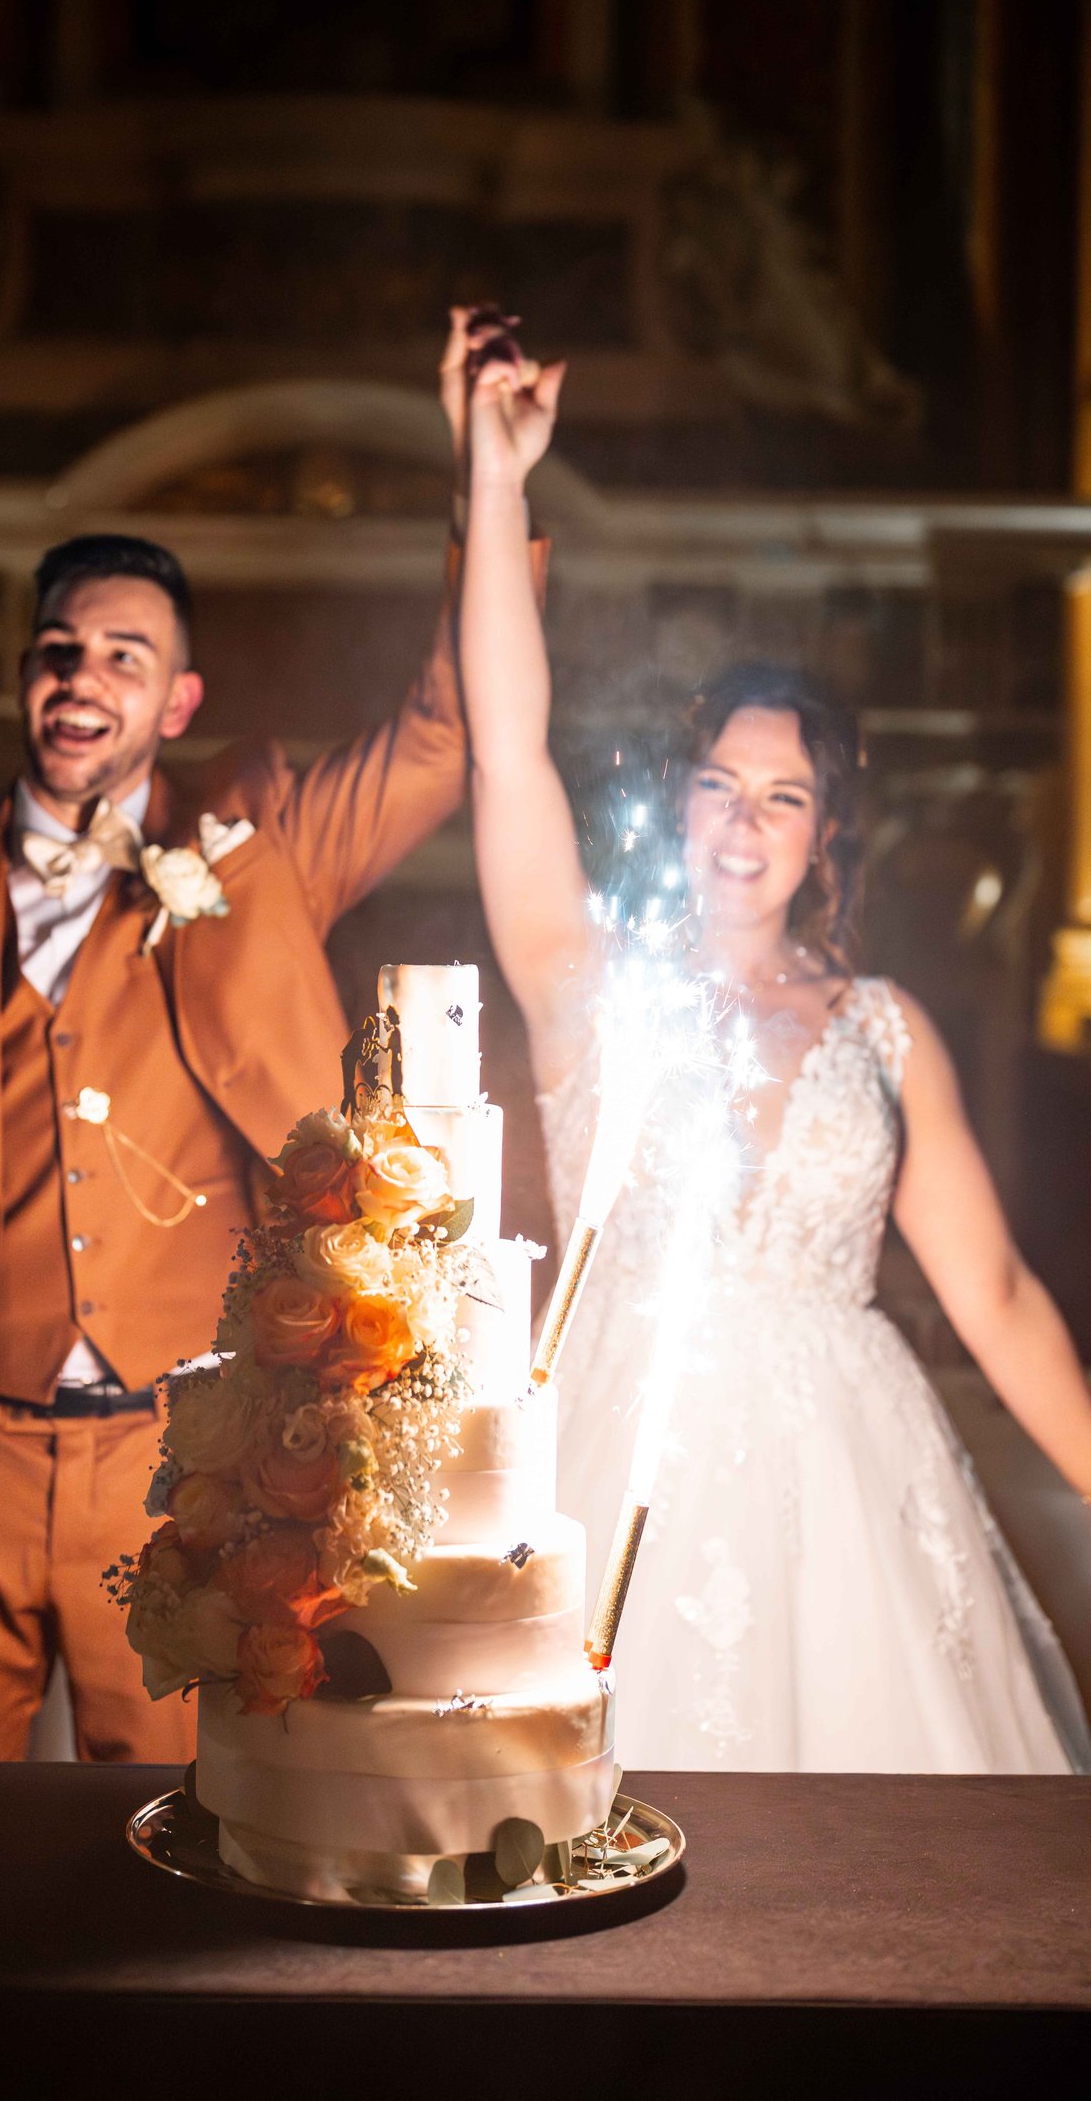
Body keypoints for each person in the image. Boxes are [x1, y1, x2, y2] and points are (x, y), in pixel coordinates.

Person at [0, 327, 548, 1762]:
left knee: (183, 1844)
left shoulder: (260, 850)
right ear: (26, 676)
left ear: (178, 701)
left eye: (124, 657)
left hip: (186, 1464)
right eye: (59, 651)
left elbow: (444, 737)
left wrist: (490, 478)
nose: (83, 678)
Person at [457, 340, 1091, 1771]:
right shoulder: (588, 983)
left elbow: (995, 1295)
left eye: (784, 797)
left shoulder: (886, 1028)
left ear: (825, 834)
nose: (745, 823)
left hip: (850, 1488)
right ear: (682, 807)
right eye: (718, 786)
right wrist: (495, 478)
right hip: (621, 1445)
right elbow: (507, 750)